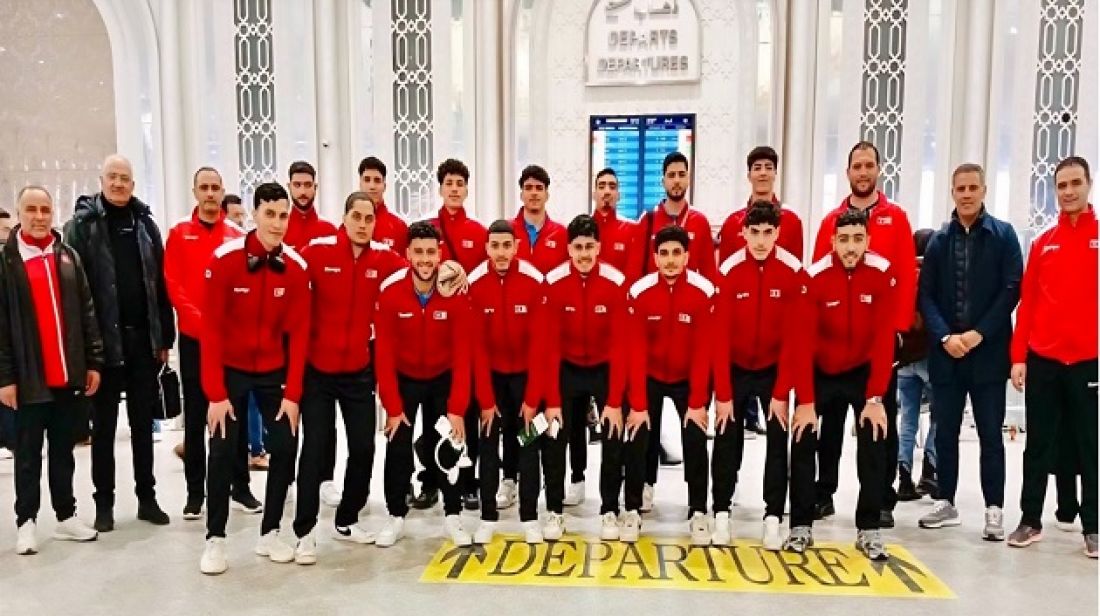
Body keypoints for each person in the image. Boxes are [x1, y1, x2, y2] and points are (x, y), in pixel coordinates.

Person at [198, 182, 311, 575]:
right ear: (254, 213)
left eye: (283, 216)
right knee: (222, 451)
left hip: (273, 372)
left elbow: (299, 335)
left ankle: (270, 532)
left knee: (285, 447)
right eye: (270, 214)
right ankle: (215, 539)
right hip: (230, 371)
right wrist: (215, 394)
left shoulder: (296, 268)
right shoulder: (224, 260)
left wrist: (293, 394)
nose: (278, 224)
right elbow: (210, 331)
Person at [291, 192, 406, 562]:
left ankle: (347, 519)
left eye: (369, 219)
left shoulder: (383, 258)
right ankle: (304, 532)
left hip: (358, 371)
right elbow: (287, 268)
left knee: (364, 448)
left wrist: (455, 274)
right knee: (314, 449)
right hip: (318, 373)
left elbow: (420, 270)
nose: (362, 224)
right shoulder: (318, 252)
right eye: (356, 216)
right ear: (345, 217)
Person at [64, 154, 176, 532]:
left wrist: (164, 337)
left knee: (144, 426)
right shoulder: (82, 227)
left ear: (133, 184)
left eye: (124, 178)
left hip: (142, 343)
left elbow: (160, 286)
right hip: (103, 348)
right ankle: (104, 504)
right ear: (101, 180)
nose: (118, 183)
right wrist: (86, 351)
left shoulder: (145, 225)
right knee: (104, 430)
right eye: (112, 176)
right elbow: (74, 294)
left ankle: (148, 498)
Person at [811, 141, 916, 527]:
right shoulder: (831, 221)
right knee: (829, 427)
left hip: (878, 345)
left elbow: (906, 276)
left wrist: (898, 331)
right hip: (832, 349)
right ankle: (823, 493)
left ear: (878, 169)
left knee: (879, 423)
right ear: (848, 172)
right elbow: (817, 278)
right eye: (857, 166)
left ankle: (881, 498)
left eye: (869, 165)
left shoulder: (896, 218)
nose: (863, 172)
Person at [916, 163, 1022, 539]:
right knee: (944, 432)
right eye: (960, 188)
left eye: (972, 188)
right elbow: (925, 296)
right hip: (947, 354)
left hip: (988, 354)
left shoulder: (1003, 236)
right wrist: (946, 337)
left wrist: (979, 333)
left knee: (990, 434)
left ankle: (994, 508)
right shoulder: (939, 242)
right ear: (952, 192)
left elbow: (1011, 289)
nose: (966, 194)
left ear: (984, 190)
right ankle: (945, 501)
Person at [0, 186, 102, 554]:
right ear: (19, 213)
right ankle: (26, 522)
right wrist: (5, 378)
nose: (39, 216)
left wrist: (93, 361)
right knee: (28, 455)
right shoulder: (6, 262)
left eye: (45, 209)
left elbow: (87, 312)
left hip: (67, 376)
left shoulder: (68, 255)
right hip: (28, 380)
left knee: (63, 452)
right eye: (31, 209)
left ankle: (65, 516)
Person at [1007, 155, 1097, 558]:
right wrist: (1018, 357)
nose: (1069, 191)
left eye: (1076, 183)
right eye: (1062, 185)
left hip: (1089, 361)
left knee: (1090, 445)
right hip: (1044, 360)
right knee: (1038, 445)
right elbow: (1027, 305)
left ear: (1089, 185)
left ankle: (1093, 526)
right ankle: (1030, 520)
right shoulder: (1043, 243)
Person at [712, 201, 811, 550]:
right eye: (754, 232)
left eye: (768, 233)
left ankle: (773, 517)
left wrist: (782, 392)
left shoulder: (793, 271)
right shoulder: (727, 270)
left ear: (778, 233)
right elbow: (719, 337)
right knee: (726, 439)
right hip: (735, 369)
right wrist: (723, 394)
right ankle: (721, 512)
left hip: (773, 370)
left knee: (777, 443)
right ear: (743, 233)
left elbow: (794, 337)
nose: (760, 240)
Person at [163, 168, 260, 521]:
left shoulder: (235, 236)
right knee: (196, 415)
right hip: (194, 338)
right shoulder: (179, 234)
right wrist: (200, 322)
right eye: (203, 187)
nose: (209, 193)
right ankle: (194, 493)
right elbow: (173, 283)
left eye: (215, 187)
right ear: (194, 191)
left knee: (235, 412)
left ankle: (240, 487)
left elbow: (245, 288)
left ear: (222, 192)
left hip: (230, 341)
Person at [540, 215, 641, 542]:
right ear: (569, 249)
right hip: (566, 369)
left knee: (613, 438)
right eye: (578, 247)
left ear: (599, 247)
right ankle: (554, 509)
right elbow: (549, 347)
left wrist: (614, 401)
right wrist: (552, 401)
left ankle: (609, 508)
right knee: (554, 436)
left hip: (604, 368)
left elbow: (621, 346)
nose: (584, 254)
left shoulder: (616, 282)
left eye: (589, 247)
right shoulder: (553, 282)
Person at [372, 221, 473, 548]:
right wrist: (392, 407)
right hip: (405, 378)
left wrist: (457, 408)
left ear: (439, 254)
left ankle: (453, 514)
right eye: (419, 252)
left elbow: (463, 354)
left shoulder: (454, 291)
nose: (425, 259)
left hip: (442, 377)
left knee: (448, 444)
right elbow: (383, 355)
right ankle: (396, 515)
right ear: (408, 254)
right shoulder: (391, 292)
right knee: (398, 444)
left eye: (431, 252)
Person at [806, 208, 896, 560]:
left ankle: (869, 528)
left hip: (862, 370)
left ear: (868, 240)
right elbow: (804, 341)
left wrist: (875, 397)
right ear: (832, 241)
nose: (850, 247)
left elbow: (884, 339)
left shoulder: (882, 273)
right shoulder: (815, 275)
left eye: (858, 239)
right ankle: (801, 524)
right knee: (805, 437)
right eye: (843, 239)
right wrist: (805, 400)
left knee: (874, 439)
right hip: (823, 370)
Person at [626, 225, 715, 544]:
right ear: (655, 258)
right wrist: (638, 405)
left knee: (695, 439)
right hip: (649, 376)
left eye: (677, 253)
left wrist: (697, 402)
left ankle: (698, 510)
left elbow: (704, 351)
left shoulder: (704, 292)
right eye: (664, 254)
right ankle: (632, 507)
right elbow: (635, 351)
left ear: (687, 256)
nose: (671, 260)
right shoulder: (639, 292)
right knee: (638, 436)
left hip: (688, 379)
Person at [716, 147, 805, 436]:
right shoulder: (733, 222)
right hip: (739, 345)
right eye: (757, 167)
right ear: (749, 174)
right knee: (729, 436)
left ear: (776, 172)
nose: (763, 172)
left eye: (768, 166)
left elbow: (794, 275)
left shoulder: (791, 221)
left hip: (774, 345)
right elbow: (727, 273)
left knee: (777, 434)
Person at [467, 219, 545, 543]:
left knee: (529, 445)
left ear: (516, 247)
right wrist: (486, 401)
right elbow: (476, 349)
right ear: (487, 248)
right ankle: (487, 517)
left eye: (506, 246)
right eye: (495, 246)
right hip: (492, 380)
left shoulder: (534, 281)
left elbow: (541, 346)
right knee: (488, 446)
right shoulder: (474, 283)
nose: (501, 253)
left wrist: (532, 399)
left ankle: (530, 517)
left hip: (527, 379)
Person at [427, 159, 489, 509]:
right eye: (448, 182)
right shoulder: (427, 229)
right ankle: (432, 477)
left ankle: (468, 480)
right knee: (435, 416)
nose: (454, 188)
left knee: (469, 410)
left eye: (459, 183)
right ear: (440, 187)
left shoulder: (479, 233)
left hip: (467, 333)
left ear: (467, 189)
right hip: (433, 335)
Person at [282, 160, 342, 507]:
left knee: (324, 417)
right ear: (290, 186)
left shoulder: (328, 231)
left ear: (316, 188)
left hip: (321, 339)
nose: (303, 191)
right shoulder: (281, 226)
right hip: (286, 336)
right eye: (298, 184)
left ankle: (325, 478)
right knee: (289, 410)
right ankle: (289, 476)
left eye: (308, 185)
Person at [896, 228, 938, 502]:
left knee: (908, 419)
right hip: (929, 357)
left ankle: (904, 476)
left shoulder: (901, 273)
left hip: (903, 359)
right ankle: (930, 471)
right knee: (939, 416)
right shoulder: (934, 275)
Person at [631, 152, 717, 282]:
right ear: (663, 182)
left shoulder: (700, 222)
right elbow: (634, 271)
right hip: (654, 293)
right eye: (671, 175)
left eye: (681, 175)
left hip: (689, 293)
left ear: (688, 179)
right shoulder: (647, 220)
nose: (676, 180)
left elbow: (709, 274)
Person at [511, 165, 568, 275]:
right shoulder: (507, 231)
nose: (534, 193)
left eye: (539, 188)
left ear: (547, 195)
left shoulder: (562, 234)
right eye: (528, 188)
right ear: (521, 195)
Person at [590, 168, 638, 275]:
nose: (607, 191)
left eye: (612, 187)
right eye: (601, 187)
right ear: (594, 195)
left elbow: (634, 273)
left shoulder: (632, 229)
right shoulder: (581, 229)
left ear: (618, 195)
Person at [357, 156, 409, 253]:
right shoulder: (349, 225)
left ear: (384, 186)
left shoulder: (399, 228)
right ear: (360, 184)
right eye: (367, 180)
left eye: (377, 180)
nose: (372, 186)